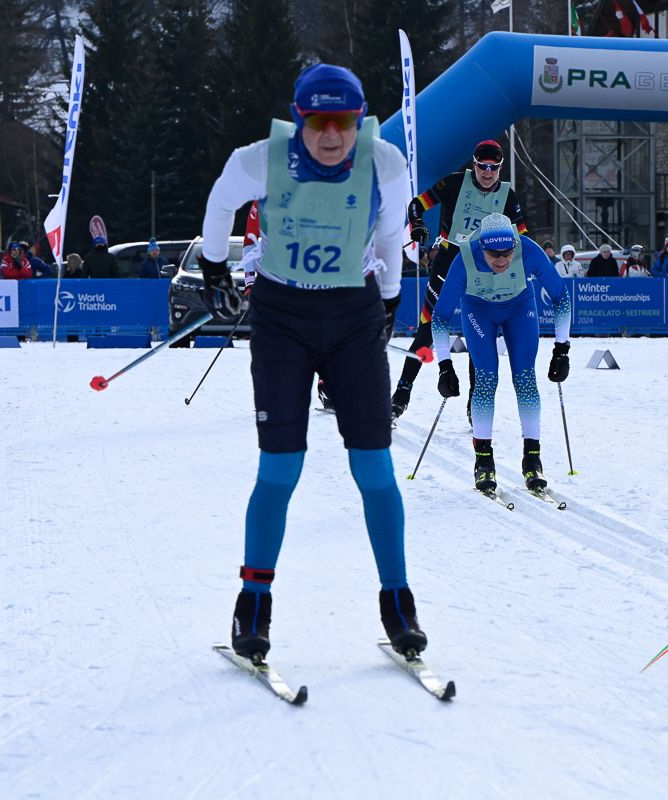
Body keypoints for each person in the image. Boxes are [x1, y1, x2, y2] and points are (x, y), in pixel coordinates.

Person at [197, 62, 424, 660]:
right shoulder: (260, 159)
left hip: (353, 315)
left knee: (373, 465)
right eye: (317, 122)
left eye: (342, 122)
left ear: (359, 120)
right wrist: (215, 266)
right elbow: (220, 202)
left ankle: (398, 602)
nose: (330, 135)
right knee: (280, 467)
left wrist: (390, 299)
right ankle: (253, 604)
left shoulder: (386, 164)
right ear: (298, 119)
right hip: (283, 319)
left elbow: (389, 233)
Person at [429, 213, 572, 494]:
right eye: (494, 254)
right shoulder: (465, 258)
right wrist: (445, 365)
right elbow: (440, 317)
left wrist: (562, 349)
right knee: (486, 379)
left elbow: (561, 298)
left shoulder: (528, 250)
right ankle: (483, 461)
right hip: (478, 311)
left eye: (507, 253)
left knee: (525, 378)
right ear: (482, 247)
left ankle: (532, 459)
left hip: (519, 308)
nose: (502, 260)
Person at [391, 138, 527, 421]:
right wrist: (417, 225)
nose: (487, 173)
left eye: (493, 168)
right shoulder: (454, 183)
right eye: (482, 166)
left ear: (500, 168)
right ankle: (400, 396)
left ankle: (474, 404)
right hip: (448, 260)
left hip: (482, 268)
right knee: (428, 331)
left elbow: (523, 238)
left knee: (478, 334)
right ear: (474, 165)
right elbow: (417, 204)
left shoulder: (507, 195)